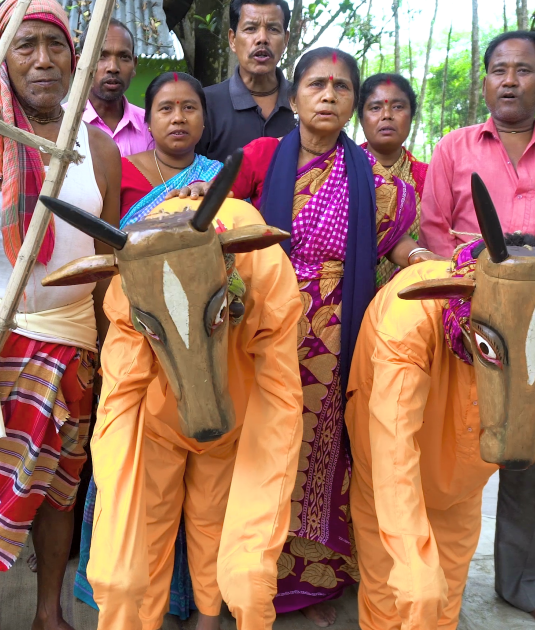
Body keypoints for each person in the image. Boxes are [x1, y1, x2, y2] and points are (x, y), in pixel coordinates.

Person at [218, 48, 433, 626]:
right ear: (293, 99)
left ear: (351, 104)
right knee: (264, 446)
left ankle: (311, 585)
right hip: (268, 327)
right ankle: (250, 578)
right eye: (316, 84)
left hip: (341, 333)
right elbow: (211, 205)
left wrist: (428, 260)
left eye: (342, 87)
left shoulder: (375, 180)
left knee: (327, 451)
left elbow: (394, 246)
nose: (329, 95)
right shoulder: (264, 155)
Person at [345, 235, 535, 630]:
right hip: (387, 470)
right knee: (398, 595)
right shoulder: (411, 315)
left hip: (464, 482)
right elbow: (392, 446)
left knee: (445, 598)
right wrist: (409, 556)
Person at [0, 1, 122, 629]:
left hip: (73, 337)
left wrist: (112, 352)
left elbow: (106, 261)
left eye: (54, 46)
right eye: (24, 46)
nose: (43, 60)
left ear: (73, 58)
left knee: (61, 484)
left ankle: (49, 611)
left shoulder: (97, 149)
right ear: (0, 56)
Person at [417, 30, 535, 625]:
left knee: (528, 455)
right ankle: (433, 579)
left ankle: (524, 582)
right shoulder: (454, 149)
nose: (509, 80)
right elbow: (435, 231)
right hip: (467, 323)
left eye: (524, 70)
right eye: (499, 69)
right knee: (451, 448)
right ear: (484, 79)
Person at [83, 196, 304, 630]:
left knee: (216, 520)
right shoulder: (131, 278)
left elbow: (280, 393)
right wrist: (115, 568)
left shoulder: (265, 269)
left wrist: (252, 576)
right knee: (143, 529)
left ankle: (208, 617)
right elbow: (120, 398)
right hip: (158, 418)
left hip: (233, 416)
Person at [73, 70, 218, 623]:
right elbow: (110, 253)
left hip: (203, 345)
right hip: (137, 339)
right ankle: (127, 595)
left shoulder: (222, 180)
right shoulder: (123, 171)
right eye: (165, 108)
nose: (178, 118)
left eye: (189, 108)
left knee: (203, 485)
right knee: (132, 477)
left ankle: (197, 599)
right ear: (147, 118)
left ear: (205, 119)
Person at [196, 0, 296, 163]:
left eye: (273, 29)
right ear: (232, 39)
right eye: (251, 28)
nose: (262, 38)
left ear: (285, 40)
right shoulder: (204, 104)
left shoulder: (306, 102)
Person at [358, 73, 429, 236]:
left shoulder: (431, 178)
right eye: (375, 108)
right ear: (361, 119)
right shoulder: (339, 169)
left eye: (397, 107)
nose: (387, 115)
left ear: (411, 117)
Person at [80, 18, 154, 156]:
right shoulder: (61, 125)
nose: (113, 67)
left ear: (134, 65)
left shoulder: (152, 127)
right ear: (80, 63)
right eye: (101, 56)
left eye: (124, 57)